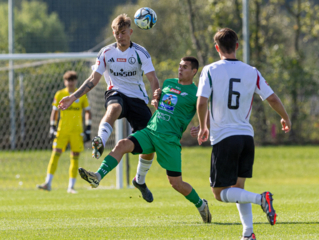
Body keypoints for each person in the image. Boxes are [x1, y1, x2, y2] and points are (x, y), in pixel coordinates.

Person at [78, 57, 212, 223]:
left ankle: (201, 204)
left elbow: (207, 115)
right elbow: (161, 104)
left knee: (176, 183)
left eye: (185, 67)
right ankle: (97, 176)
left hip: (169, 140)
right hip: (150, 131)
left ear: (193, 72)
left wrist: (201, 127)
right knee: (122, 145)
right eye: (179, 66)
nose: (180, 69)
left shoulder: (196, 93)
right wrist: (157, 97)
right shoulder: (169, 83)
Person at [195, 28, 291, 240]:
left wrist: (203, 126)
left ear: (217, 48)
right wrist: (285, 117)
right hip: (247, 138)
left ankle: (261, 199)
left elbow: (202, 101)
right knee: (238, 188)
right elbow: (272, 98)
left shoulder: (210, 70)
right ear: (237, 46)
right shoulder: (252, 71)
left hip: (224, 138)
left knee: (219, 193)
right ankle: (248, 234)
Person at [58, 14, 160, 199]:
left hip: (137, 99)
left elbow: (153, 78)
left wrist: (156, 96)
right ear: (113, 33)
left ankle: (140, 180)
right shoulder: (106, 53)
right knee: (113, 108)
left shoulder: (140, 53)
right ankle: (101, 141)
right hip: (116, 93)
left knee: (149, 145)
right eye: (116, 33)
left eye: (123, 32)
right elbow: (93, 80)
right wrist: (73, 97)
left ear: (130, 32)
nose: (120, 36)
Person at [37, 71, 92, 194]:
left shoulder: (81, 94)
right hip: (62, 130)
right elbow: (54, 111)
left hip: (76, 131)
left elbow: (88, 111)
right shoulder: (60, 94)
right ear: (64, 82)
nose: (70, 82)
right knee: (55, 154)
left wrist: (88, 128)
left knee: (75, 157)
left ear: (76, 81)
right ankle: (48, 183)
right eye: (68, 80)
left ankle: (71, 187)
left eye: (72, 80)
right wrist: (52, 127)